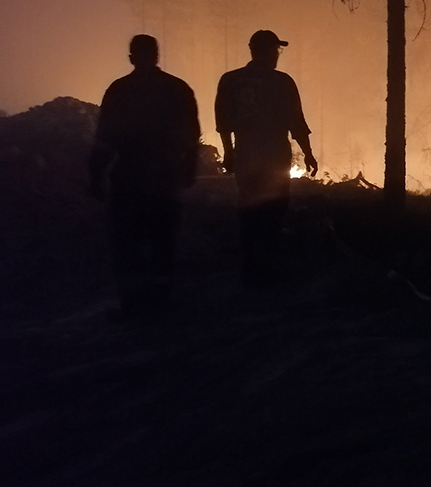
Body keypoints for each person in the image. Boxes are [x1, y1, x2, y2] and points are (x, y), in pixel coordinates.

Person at [89, 34, 200, 313]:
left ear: (131, 58)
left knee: (128, 239)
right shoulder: (177, 89)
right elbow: (192, 135)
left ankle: (133, 299)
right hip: (165, 176)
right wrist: (189, 168)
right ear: (157, 55)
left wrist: (96, 174)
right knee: (163, 237)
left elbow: (105, 137)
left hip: (129, 176)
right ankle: (161, 296)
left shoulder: (120, 90)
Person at [215, 29, 317, 286]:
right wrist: (308, 154)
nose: (277, 55)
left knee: (249, 209)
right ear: (269, 51)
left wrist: (229, 152)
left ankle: (251, 268)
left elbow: (223, 122)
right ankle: (267, 267)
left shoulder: (231, 80)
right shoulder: (282, 82)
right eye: (276, 50)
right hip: (274, 157)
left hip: (246, 155)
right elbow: (297, 122)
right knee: (273, 211)